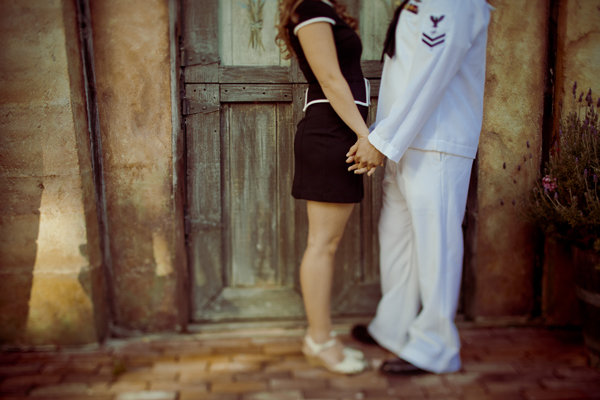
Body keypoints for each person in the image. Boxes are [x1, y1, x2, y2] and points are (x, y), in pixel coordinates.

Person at [347, 0, 492, 374]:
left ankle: (436, 347)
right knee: (396, 238)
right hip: (404, 138)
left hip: (437, 140)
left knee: (435, 245)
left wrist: (382, 141)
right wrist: (387, 136)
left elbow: (433, 74)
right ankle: (393, 327)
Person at [275, 0, 382, 374]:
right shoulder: (310, 7)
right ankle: (319, 340)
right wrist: (365, 135)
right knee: (322, 244)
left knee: (326, 243)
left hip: (337, 130)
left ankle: (320, 337)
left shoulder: (320, 7)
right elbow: (331, 80)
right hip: (331, 131)